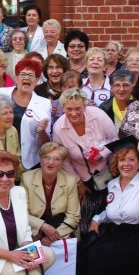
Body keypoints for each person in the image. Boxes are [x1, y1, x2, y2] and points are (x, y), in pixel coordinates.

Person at [86, 137, 139, 275]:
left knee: (104, 254)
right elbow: (109, 211)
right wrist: (96, 219)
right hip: (118, 233)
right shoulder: (112, 184)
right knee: (91, 250)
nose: (126, 164)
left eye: (131, 159)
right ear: (117, 163)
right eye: (122, 160)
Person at [53, 88, 116, 236]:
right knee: (85, 218)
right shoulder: (58, 128)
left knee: (110, 212)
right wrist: (78, 183)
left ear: (85, 106)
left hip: (107, 171)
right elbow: (64, 160)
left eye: (78, 108)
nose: (73, 113)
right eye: (69, 109)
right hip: (82, 178)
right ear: (63, 108)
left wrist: (102, 154)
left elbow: (114, 140)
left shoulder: (99, 115)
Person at [20, 141, 81, 249]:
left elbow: (74, 216)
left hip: (63, 232)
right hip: (34, 232)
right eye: (47, 157)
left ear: (62, 163)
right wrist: (42, 226)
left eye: (56, 159)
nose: (51, 162)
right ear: (41, 159)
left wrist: (54, 235)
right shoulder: (26, 178)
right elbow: (22, 214)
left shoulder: (70, 181)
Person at [0, 57, 52, 171]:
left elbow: (45, 143)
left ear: (36, 80)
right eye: (23, 74)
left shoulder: (45, 104)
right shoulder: (0, 93)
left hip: (28, 163)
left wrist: (41, 132)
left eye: (31, 75)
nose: (26, 78)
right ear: (16, 78)